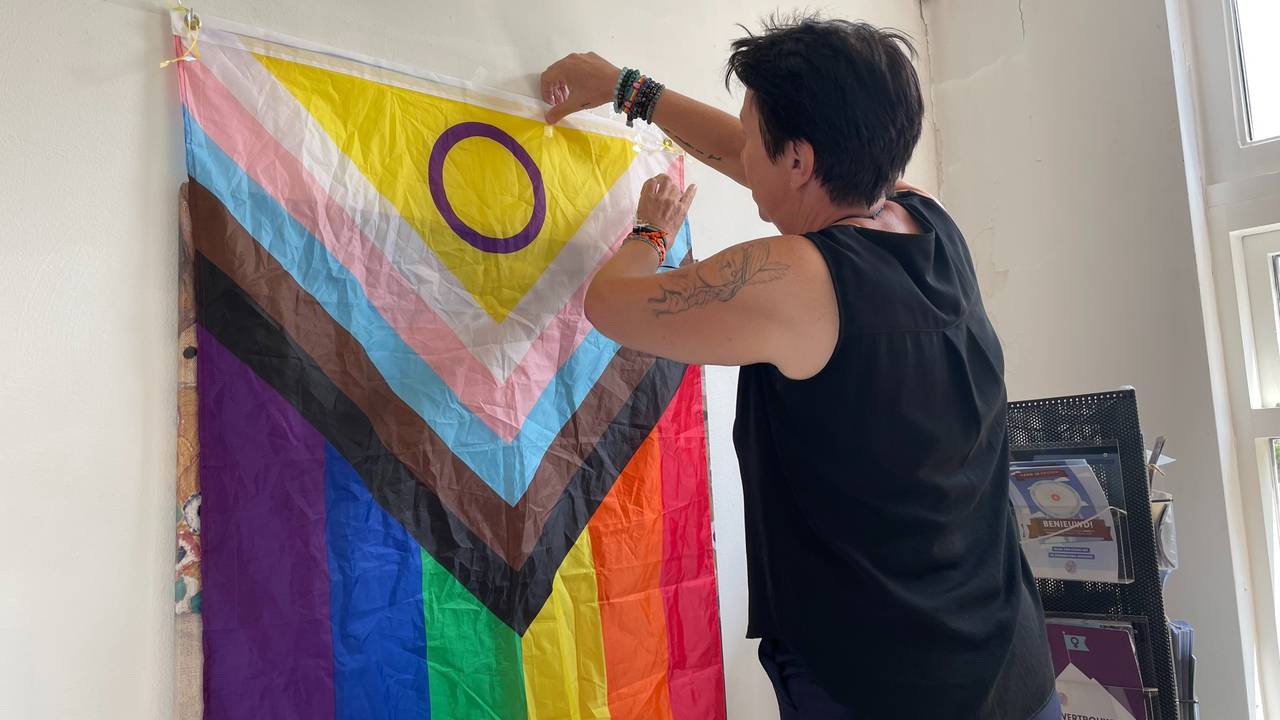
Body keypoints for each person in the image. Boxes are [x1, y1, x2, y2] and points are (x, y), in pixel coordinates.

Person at [540, 15, 1060, 720]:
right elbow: (746, 152)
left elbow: (610, 304)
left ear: (799, 161)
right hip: (1008, 665)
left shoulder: (797, 279)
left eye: (757, 135)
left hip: (886, 689)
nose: (742, 150)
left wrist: (653, 229)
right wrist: (628, 89)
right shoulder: (926, 219)